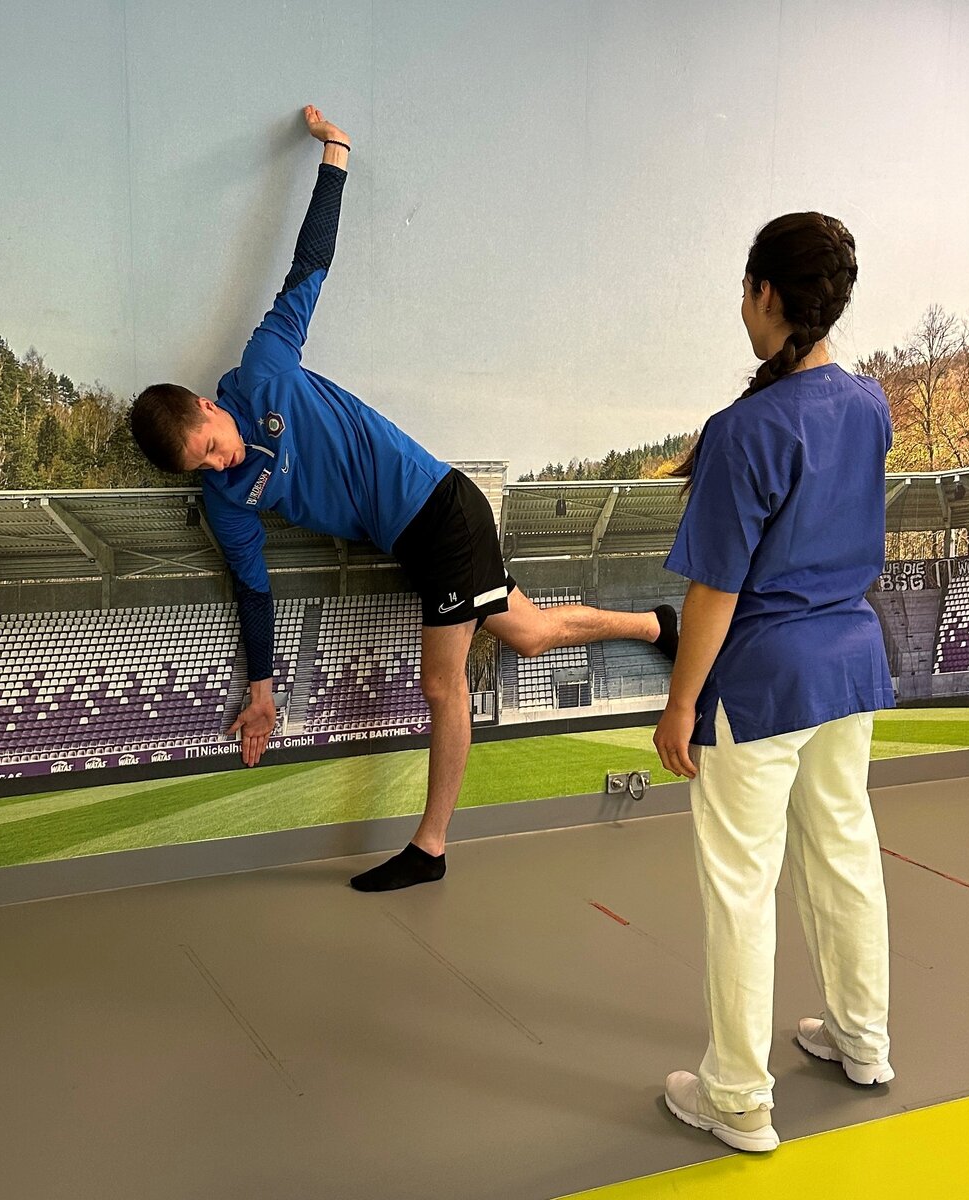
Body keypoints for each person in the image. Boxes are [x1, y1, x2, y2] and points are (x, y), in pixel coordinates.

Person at [130, 106, 678, 892]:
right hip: (419, 536)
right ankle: (657, 624)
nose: (221, 461)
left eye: (212, 444)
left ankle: (429, 848)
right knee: (524, 634)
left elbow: (308, 265)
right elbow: (252, 588)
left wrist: (337, 155)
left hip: (438, 509)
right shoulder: (225, 500)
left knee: (439, 687)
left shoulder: (264, 369)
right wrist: (261, 690)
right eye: (202, 466)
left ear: (210, 408)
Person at [652, 213, 895, 1152]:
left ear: (766, 295)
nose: (740, 308)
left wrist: (680, 706)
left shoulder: (745, 429)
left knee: (743, 888)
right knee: (846, 853)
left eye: (744, 291)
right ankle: (863, 1041)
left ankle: (738, 1098)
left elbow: (716, 587)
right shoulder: (869, 405)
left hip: (760, 686)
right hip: (848, 671)